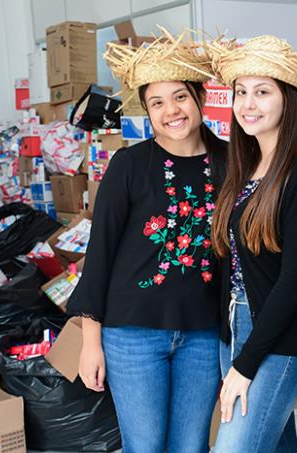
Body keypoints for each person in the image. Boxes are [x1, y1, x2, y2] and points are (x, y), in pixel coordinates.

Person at [66, 30, 227, 453]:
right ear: (148, 112)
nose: (171, 111)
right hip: (131, 335)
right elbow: (98, 256)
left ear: (198, 97)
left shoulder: (231, 162)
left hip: (203, 334)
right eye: (157, 103)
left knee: (191, 446)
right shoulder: (128, 164)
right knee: (145, 446)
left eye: (180, 97)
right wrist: (90, 344)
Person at [207, 35, 297, 452]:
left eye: (262, 92)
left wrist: (245, 364)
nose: (248, 103)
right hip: (235, 325)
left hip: (280, 339)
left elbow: (296, 280)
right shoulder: (244, 167)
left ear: (287, 99)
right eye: (241, 92)